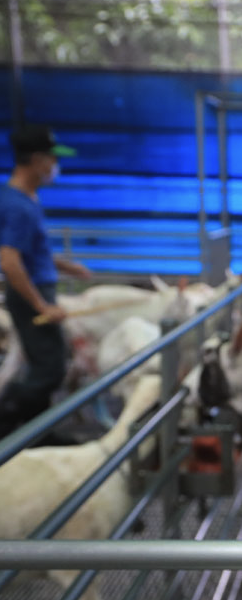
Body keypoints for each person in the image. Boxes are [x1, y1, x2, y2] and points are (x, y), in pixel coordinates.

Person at [0, 124, 91, 441]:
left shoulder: (25, 198)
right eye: (52, 158)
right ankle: (11, 421)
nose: (55, 166)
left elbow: (28, 253)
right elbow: (9, 260)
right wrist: (42, 305)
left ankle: (35, 433)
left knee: (50, 363)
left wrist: (66, 266)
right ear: (37, 160)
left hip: (38, 289)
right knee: (49, 368)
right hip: (31, 295)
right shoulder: (18, 206)